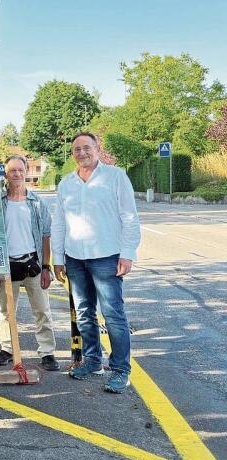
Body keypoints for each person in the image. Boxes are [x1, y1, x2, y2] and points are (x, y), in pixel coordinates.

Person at [52, 132, 141, 394]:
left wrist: (128, 253)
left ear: (97, 149)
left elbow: (130, 217)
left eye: (86, 147)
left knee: (113, 314)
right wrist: (58, 258)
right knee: (83, 313)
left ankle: (120, 370)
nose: (82, 153)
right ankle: (92, 361)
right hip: (74, 258)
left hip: (107, 256)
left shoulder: (115, 177)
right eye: (76, 149)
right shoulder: (66, 184)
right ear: (72, 154)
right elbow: (59, 223)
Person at [0, 155, 58, 371]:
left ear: (26, 171)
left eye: (20, 170)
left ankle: (47, 352)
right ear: (6, 174)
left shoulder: (37, 203)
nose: (17, 174)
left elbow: (46, 236)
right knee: (6, 311)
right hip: (7, 266)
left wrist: (46, 267)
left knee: (42, 310)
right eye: (12, 171)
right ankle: (7, 348)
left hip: (33, 264)